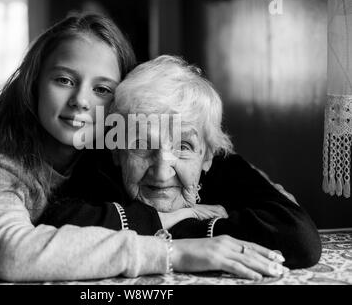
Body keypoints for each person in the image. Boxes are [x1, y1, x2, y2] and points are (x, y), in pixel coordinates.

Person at [0, 12, 295, 282]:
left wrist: (256, 184)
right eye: (65, 80)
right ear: (34, 83)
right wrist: (174, 249)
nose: (81, 101)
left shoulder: (113, 143)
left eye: (101, 89)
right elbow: (11, 255)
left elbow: (275, 207)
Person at [41, 55, 322, 270]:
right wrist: (181, 220)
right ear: (117, 151)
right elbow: (57, 226)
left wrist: (185, 233)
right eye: (140, 144)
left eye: (184, 146)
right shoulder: (100, 162)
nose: (162, 173)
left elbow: (300, 241)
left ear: (208, 155)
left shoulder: (224, 164)